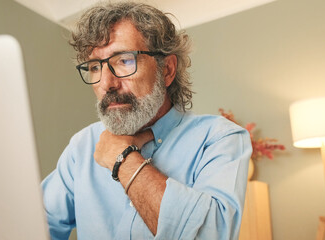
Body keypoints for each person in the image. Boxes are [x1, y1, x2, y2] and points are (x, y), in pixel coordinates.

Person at [41, 2, 252, 240]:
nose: (106, 83)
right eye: (95, 66)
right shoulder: (81, 147)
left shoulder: (220, 138)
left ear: (167, 70)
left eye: (124, 61)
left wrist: (124, 159)